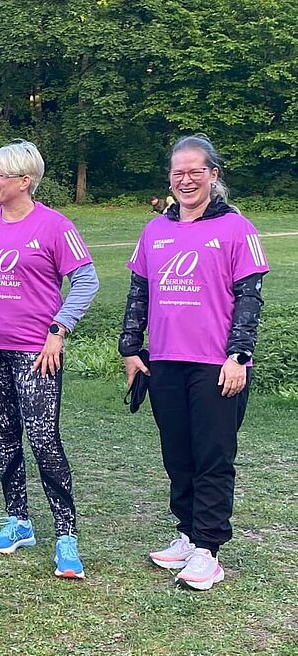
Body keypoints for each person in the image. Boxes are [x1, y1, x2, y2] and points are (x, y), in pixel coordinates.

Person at [119, 134, 268, 591]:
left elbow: (249, 298)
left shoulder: (236, 229)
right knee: (177, 454)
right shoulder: (155, 230)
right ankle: (186, 534)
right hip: (165, 361)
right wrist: (130, 348)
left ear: (213, 175)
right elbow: (138, 293)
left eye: (195, 171)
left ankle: (208, 549)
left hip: (216, 364)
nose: (186, 179)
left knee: (213, 457)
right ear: (170, 178)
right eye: (178, 172)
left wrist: (239, 355)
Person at [0, 140, 98, 579]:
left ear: (24, 181)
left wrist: (58, 330)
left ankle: (66, 536)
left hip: (35, 353)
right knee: (5, 435)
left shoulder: (54, 226)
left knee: (43, 440)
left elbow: (86, 281)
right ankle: (18, 522)